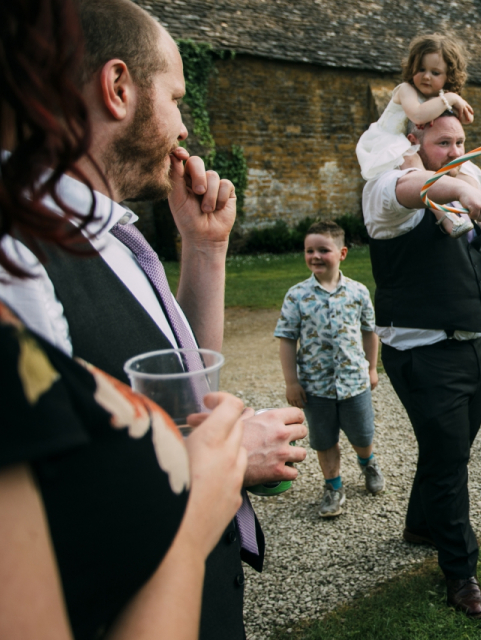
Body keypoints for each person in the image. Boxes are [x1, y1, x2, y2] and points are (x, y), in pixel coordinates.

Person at [0, 1, 308, 638]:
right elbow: (69, 514)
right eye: (174, 97)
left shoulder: (106, 231)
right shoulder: (21, 261)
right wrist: (226, 463)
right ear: (118, 89)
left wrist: (204, 251)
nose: (184, 128)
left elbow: (183, 386)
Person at [362, 110, 481, 618]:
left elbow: (463, 189)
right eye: (444, 142)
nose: (456, 152)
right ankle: (461, 571)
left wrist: (471, 195)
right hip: (422, 353)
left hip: (468, 343)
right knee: (449, 464)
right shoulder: (385, 192)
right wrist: (461, 190)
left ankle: (422, 524)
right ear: (414, 140)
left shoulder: (463, 181)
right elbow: (410, 186)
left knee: (452, 450)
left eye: (462, 140)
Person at [356, 33, 481, 261]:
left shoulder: (441, 98)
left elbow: (465, 121)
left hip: (413, 141)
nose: (426, 77)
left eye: (435, 73)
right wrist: (452, 99)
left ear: (447, 76)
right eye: (421, 69)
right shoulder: (406, 89)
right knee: (416, 170)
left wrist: (450, 106)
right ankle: (446, 218)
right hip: (394, 141)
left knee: (465, 171)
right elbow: (416, 115)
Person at [275, 220, 385, 518]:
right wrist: (291, 382)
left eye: (323, 250)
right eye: (309, 250)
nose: (315, 256)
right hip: (315, 386)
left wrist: (372, 367)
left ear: (342, 253)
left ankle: (368, 463)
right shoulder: (297, 295)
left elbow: (369, 331)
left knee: (362, 434)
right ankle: (333, 487)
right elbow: (287, 339)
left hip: (354, 382)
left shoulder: (358, 292)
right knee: (324, 439)